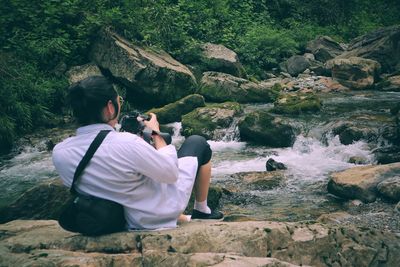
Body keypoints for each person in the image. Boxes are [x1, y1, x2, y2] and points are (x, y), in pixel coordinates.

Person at [52, 76, 223, 230]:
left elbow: (110, 174)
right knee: (197, 143)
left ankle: (183, 217)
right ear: (110, 108)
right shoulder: (127, 142)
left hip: (114, 218)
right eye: (118, 100)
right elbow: (171, 173)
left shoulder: (60, 152)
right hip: (152, 216)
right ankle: (201, 210)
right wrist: (156, 133)